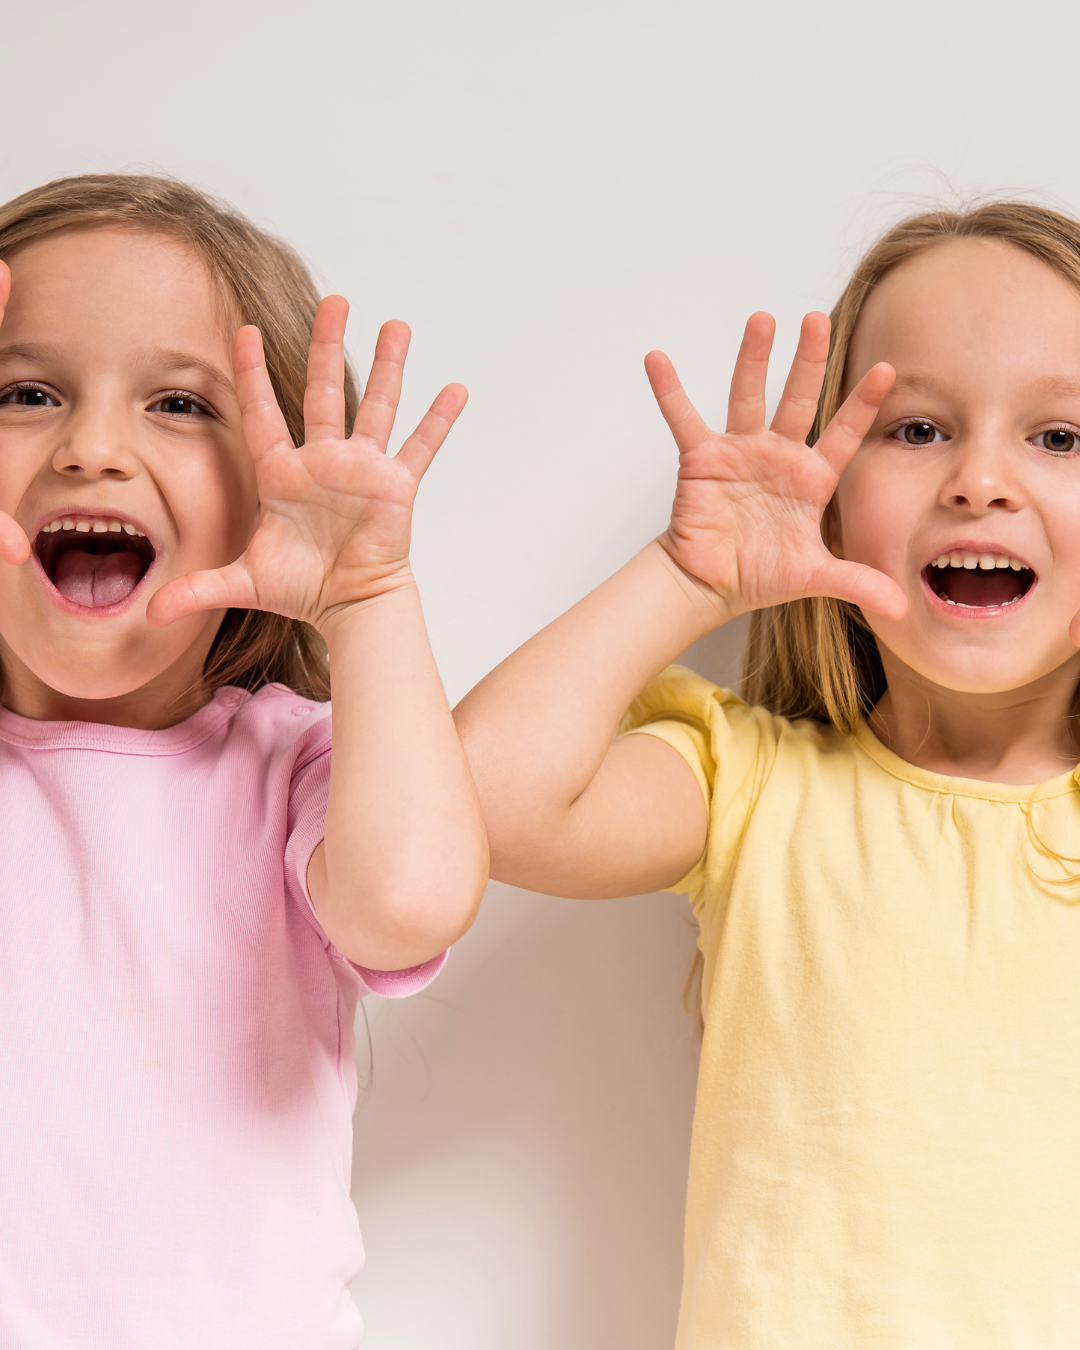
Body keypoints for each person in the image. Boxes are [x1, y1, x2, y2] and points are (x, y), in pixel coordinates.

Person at [454, 201, 1080, 1347]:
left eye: (1061, 438)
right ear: (832, 501)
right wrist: (688, 576)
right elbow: (476, 805)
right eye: (918, 429)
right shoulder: (753, 786)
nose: (981, 480)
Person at [0, 174, 487, 1348]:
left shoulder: (296, 766)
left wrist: (366, 596)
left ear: (272, 488)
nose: (92, 450)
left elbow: (408, 904)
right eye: (25, 392)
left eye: (177, 403)